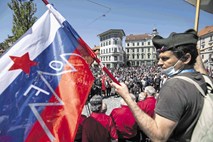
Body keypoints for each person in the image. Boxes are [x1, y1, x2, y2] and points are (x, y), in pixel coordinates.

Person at [111, 29, 208, 141]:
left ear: (186, 58)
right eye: (159, 58)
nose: (159, 63)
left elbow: (159, 137)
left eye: (165, 58)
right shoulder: (203, 78)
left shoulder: (174, 87)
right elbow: (200, 68)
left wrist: (127, 97)